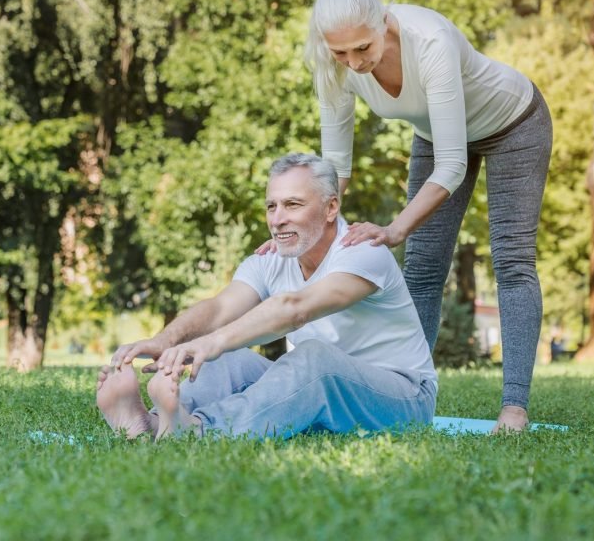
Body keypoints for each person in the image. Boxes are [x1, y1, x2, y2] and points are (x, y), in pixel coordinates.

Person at [304, 0, 552, 433]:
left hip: (515, 124)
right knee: (421, 267)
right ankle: (403, 395)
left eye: (363, 48)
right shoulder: (333, 64)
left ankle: (514, 407)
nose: (354, 62)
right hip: (437, 136)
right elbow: (335, 163)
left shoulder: (430, 39)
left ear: (382, 21)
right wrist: (314, 232)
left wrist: (395, 228)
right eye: (341, 52)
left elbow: (452, 168)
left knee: (513, 258)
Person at [96, 153, 436, 440]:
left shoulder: (363, 250)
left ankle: (200, 430)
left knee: (314, 358)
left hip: (403, 398)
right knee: (228, 358)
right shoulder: (271, 258)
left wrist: (212, 342)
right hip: (325, 387)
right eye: (271, 206)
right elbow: (219, 309)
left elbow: (296, 309)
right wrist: (166, 339)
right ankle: (153, 422)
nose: (277, 219)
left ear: (331, 207)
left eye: (293, 205)